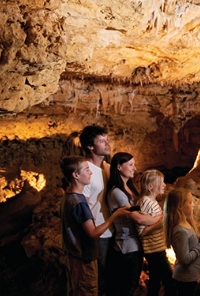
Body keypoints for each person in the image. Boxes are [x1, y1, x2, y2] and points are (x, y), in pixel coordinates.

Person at [60, 156, 129, 296]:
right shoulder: (78, 202)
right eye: (87, 169)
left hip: (75, 257)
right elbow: (93, 233)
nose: (91, 172)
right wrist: (116, 215)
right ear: (76, 175)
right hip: (83, 259)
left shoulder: (68, 197)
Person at [105, 152, 160, 296]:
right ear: (118, 167)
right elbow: (139, 219)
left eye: (134, 165)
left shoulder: (131, 189)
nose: (134, 168)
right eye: (130, 164)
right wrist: (163, 221)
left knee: (131, 287)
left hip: (135, 245)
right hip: (127, 247)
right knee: (126, 289)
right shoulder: (117, 193)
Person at [79, 125, 112, 295]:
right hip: (98, 233)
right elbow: (81, 204)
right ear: (90, 146)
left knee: (110, 278)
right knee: (99, 280)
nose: (107, 144)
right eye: (101, 141)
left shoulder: (106, 168)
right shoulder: (85, 170)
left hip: (110, 230)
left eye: (107, 139)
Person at [163, 189, 200, 295]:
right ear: (180, 206)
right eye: (190, 202)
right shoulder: (180, 231)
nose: (193, 205)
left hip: (190, 277)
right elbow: (185, 259)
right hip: (184, 279)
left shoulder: (186, 224)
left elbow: (191, 245)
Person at [136, 170, 176, 296]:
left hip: (158, 248)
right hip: (154, 250)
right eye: (161, 182)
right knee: (170, 282)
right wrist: (162, 222)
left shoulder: (152, 202)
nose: (164, 185)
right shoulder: (145, 202)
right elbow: (141, 232)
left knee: (155, 282)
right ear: (150, 186)